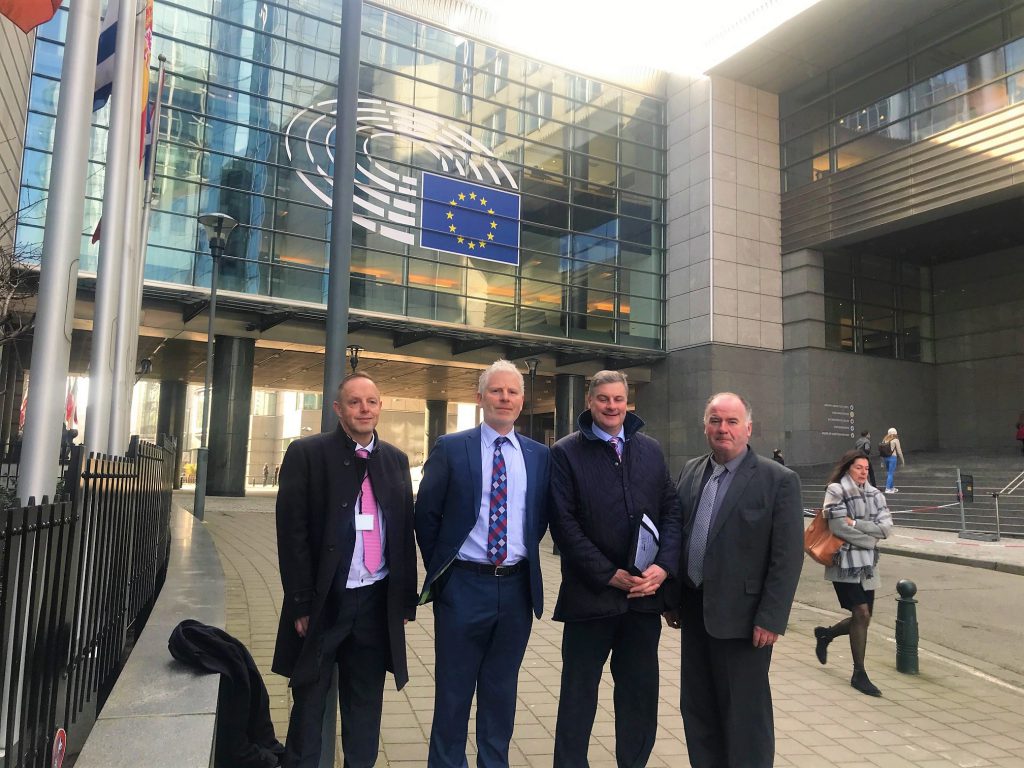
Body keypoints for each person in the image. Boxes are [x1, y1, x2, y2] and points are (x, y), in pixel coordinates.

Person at [272, 372, 418, 768]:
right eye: (354, 402)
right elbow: (292, 534)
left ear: (380, 407)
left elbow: (403, 534)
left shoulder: (395, 460)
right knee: (309, 702)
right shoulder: (307, 454)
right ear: (338, 409)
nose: (364, 409)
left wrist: (406, 601)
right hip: (324, 603)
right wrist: (301, 602)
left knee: (365, 704)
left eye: (371, 401)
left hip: (374, 601)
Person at [415, 360, 550, 768]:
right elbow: (426, 514)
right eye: (496, 391)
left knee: (500, 691)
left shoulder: (539, 455)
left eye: (512, 392)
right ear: (480, 398)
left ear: (522, 401)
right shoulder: (452, 448)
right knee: (453, 692)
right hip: (463, 587)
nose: (505, 398)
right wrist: (445, 571)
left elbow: (538, 517)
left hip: (515, 590)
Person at [548, 370, 682, 768]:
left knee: (639, 696)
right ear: (589, 402)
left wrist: (663, 567)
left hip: (642, 601)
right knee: (578, 695)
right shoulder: (566, 453)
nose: (612, 406)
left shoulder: (651, 450)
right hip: (590, 598)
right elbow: (562, 523)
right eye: (604, 399)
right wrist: (608, 573)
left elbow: (672, 511)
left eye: (619, 399)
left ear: (628, 403)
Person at [664, 392, 803, 768]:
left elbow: (787, 557)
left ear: (748, 428)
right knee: (698, 708)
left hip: (745, 622)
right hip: (694, 612)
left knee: (745, 717)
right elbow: (681, 534)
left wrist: (771, 618)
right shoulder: (692, 470)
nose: (722, 428)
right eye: (714, 420)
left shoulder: (778, 480)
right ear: (705, 425)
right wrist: (672, 598)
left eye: (731, 421)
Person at [813, 449, 893, 697]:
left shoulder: (876, 494)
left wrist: (857, 524)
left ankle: (826, 634)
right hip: (843, 562)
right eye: (859, 467)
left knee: (864, 619)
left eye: (866, 468)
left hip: (867, 565)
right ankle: (859, 673)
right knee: (861, 612)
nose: (863, 472)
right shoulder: (836, 490)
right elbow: (838, 527)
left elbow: (886, 528)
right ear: (848, 467)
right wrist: (870, 539)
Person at [880, 427, 905, 493]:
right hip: (892, 458)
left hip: (885, 458)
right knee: (890, 474)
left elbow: (882, 451)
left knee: (889, 473)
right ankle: (888, 488)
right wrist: (902, 460)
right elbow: (899, 451)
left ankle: (891, 487)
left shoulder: (884, 440)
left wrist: (882, 462)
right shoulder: (895, 440)